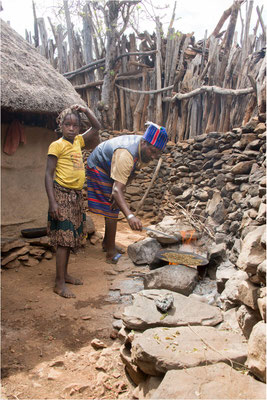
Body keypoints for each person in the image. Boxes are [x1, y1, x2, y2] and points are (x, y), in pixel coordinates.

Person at [86, 122, 168, 264]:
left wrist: (120, 190)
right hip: (98, 165)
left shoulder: (146, 153)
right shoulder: (126, 154)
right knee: (112, 208)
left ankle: (107, 242)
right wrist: (130, 216)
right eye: (153, 151)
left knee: (115, 202)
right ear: (143, 143)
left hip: (112, 166)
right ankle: (110, 253)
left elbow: (131, 173)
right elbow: (116, 189)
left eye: (157, 153)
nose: (154, 156)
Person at [45, 104, 101, 298]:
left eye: (75, 125)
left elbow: (96, 128)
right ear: (61, 125)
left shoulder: (77, 141)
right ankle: (59, 283)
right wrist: (53, 203)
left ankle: (65, 274)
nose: (71, 128)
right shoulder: (56, 145)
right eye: (67, 124)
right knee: (63, 240)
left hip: (76, 197)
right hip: (61, 196)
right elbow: (48, 175)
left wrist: (85, 111)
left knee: (69, 240)